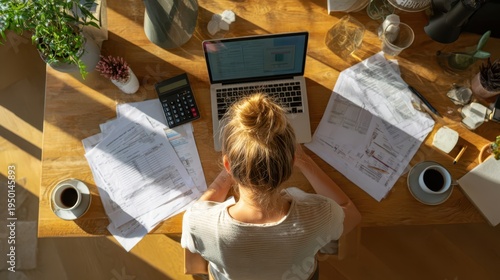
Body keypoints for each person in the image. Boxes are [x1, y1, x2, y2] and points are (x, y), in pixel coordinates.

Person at [181, 93, 361, 280]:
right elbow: (352, 215)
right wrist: (305, 160)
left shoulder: (199, 222)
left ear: (228, 165)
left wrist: (238, 164)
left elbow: (199, 209)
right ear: (291, 161)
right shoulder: (321, 214)